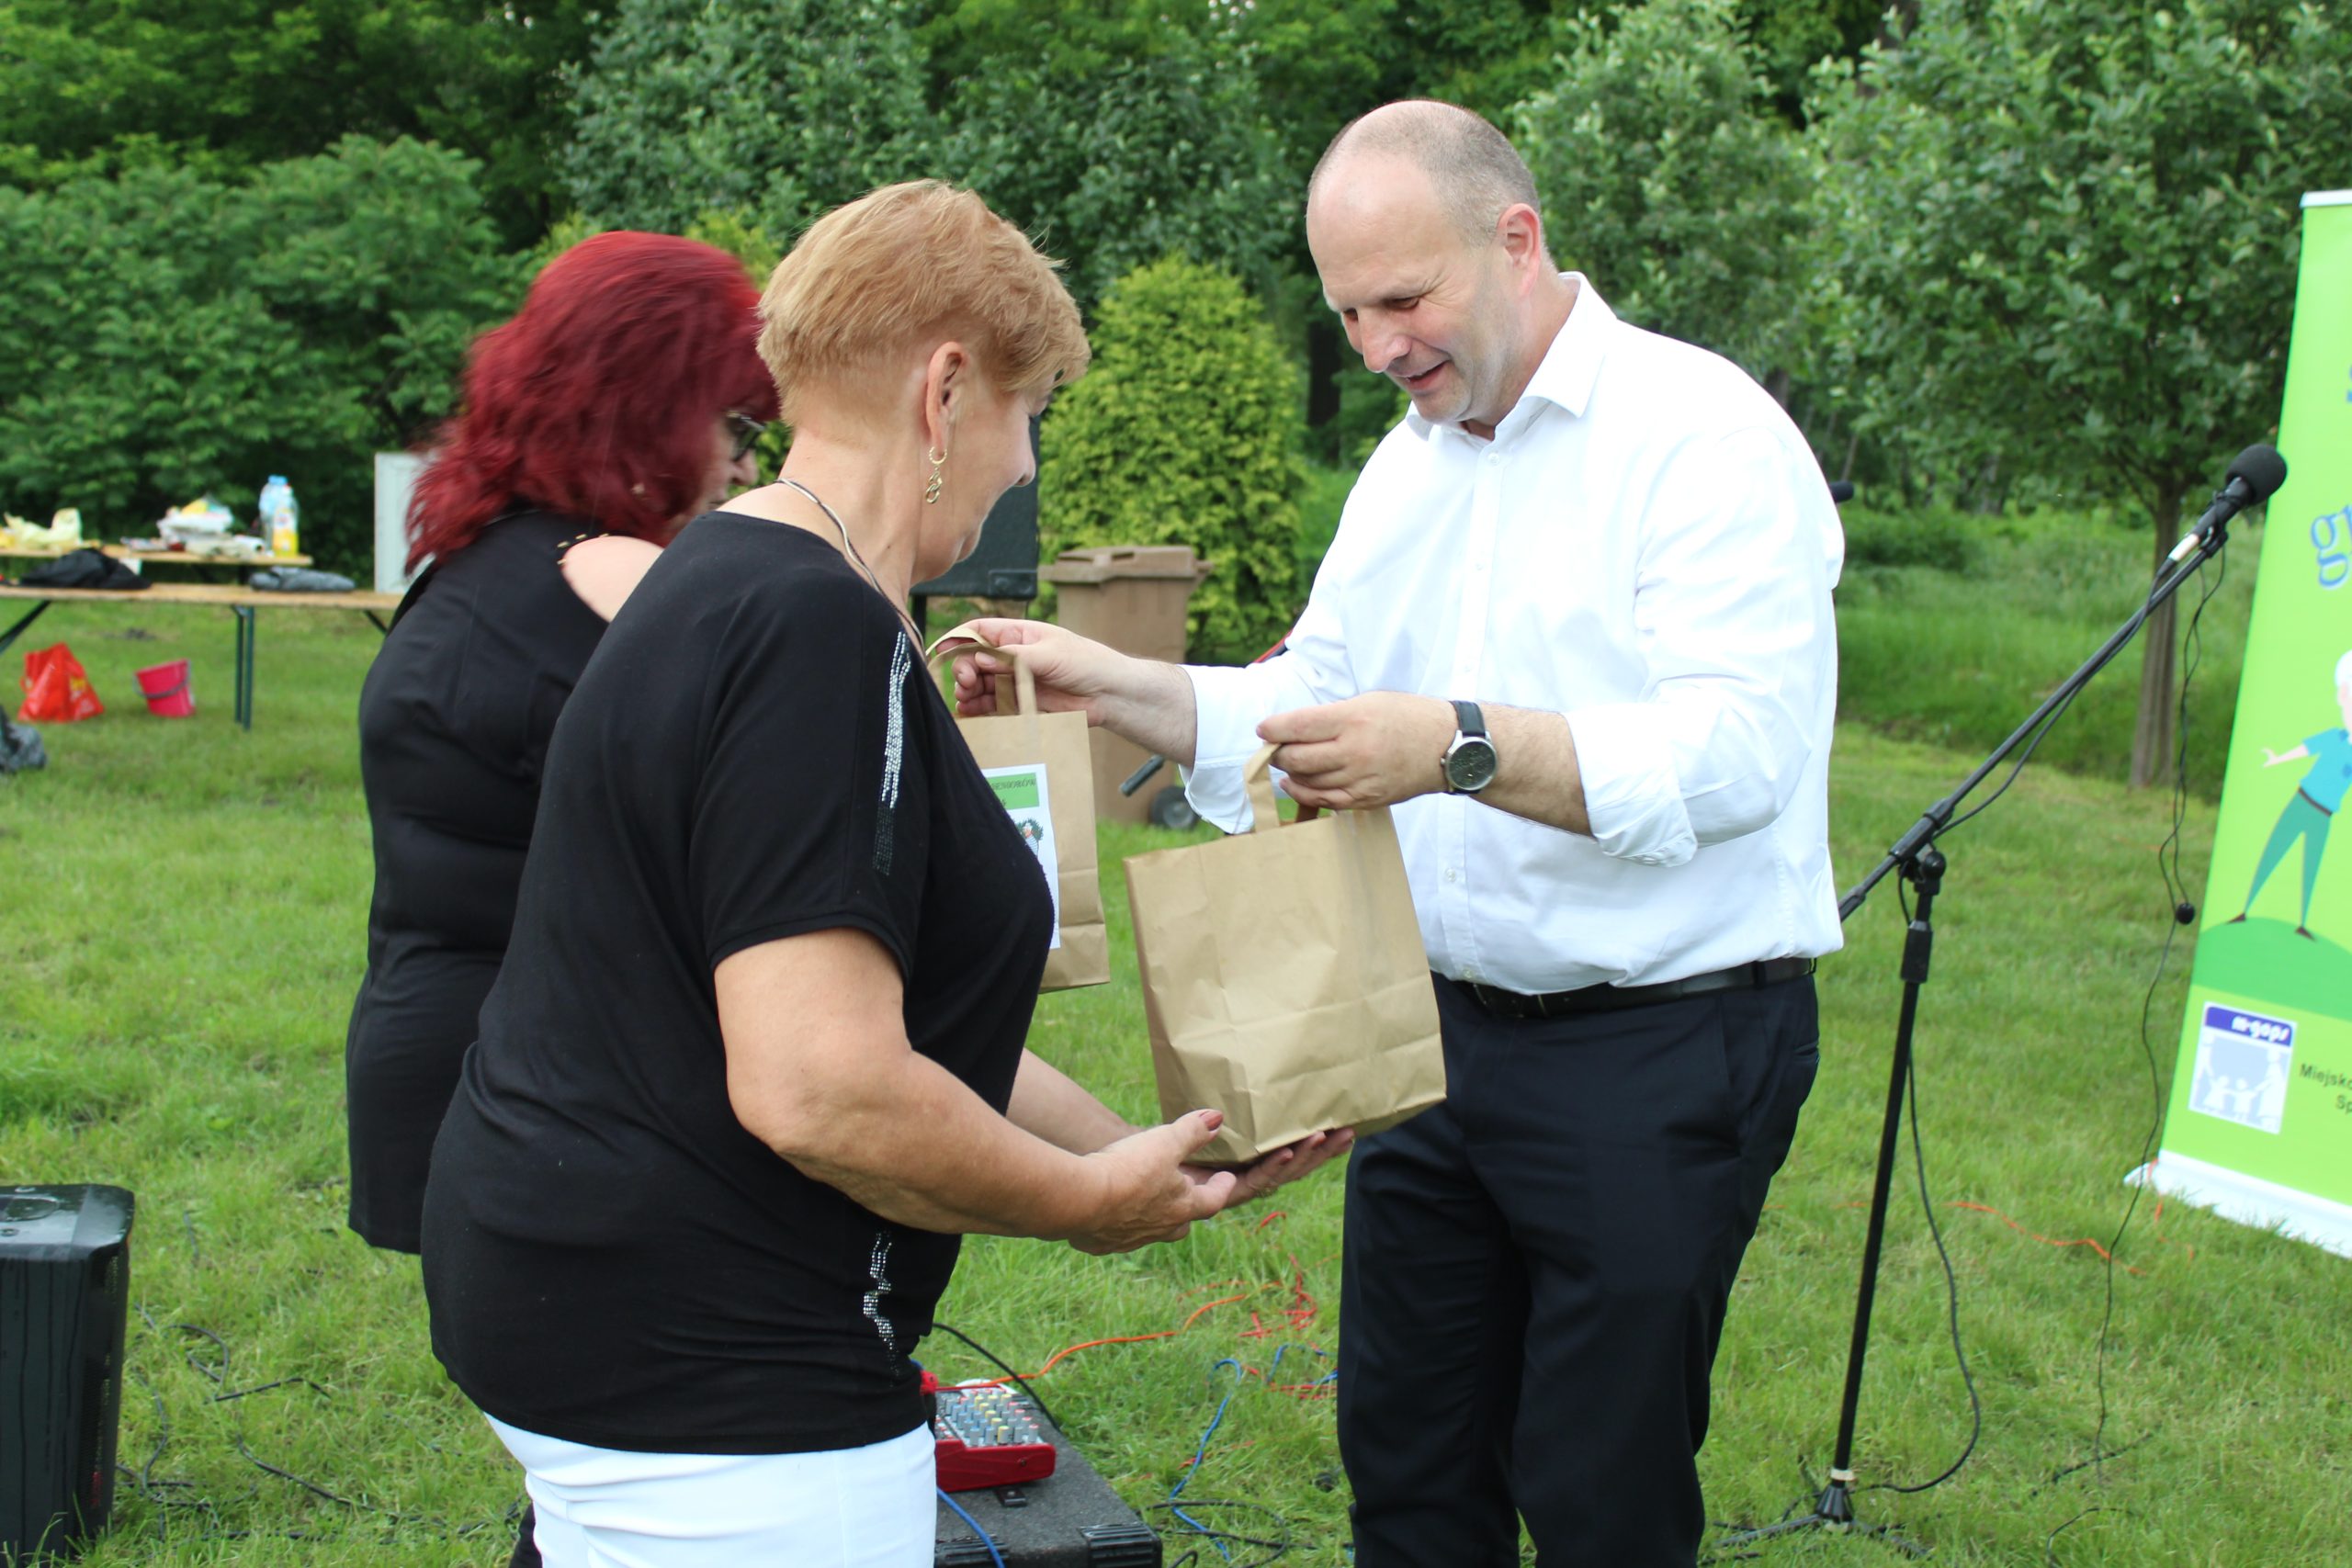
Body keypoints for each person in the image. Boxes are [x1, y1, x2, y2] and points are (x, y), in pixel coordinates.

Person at [954, 103, 1843, 1565]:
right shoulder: (1411, 462)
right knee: (1410, 1458)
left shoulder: (1706, 438)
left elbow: (1738, 755)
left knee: (1599, 1480)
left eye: (1404, 299)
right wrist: (1110, 683)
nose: (1378, 346)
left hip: (1660, 1048)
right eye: (1349, 310)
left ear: (1518, 239)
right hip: (1429, 1045)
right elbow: (1317, 691)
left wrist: (1457, 743)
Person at [420, 181, 1345, 1568]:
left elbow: (882, 1015)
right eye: (1028, 415)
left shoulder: (726, 577)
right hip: (708, 1355)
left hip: (585, 1285)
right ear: (945, 391)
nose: (1024, 465)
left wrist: (1144, 1154)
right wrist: (1084, 1209)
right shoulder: (811, 629)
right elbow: (822, 1081)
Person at [345, 231, 775, 1260]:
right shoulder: (616, 581)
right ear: (651, 412)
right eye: (734, 423)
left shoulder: (473, 564)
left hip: (442, 1060)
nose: (747, 463)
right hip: (559, 1107)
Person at [2226, 649, 2352, 939]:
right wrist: (2277, 758)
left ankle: (2304, 923)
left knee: (2311, 865)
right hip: (2301, 801)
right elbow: (2306, 749)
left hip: (2324, 814)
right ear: (2342, 696)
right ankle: (2245, 908)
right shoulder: (2334, 737)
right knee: (2273, 851)